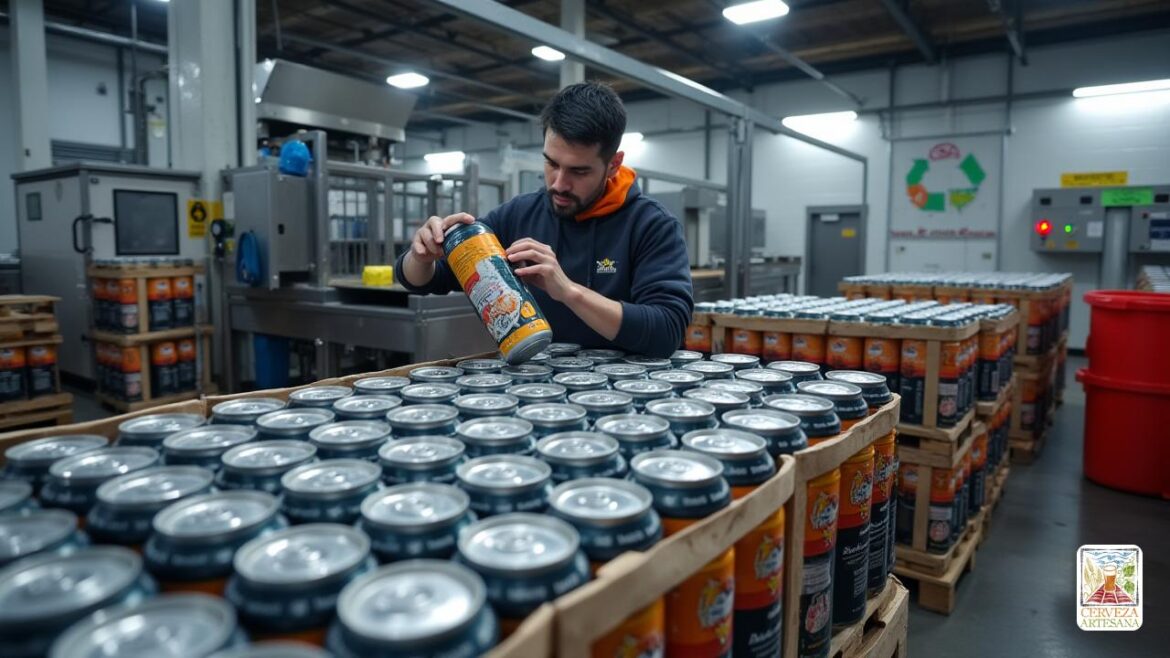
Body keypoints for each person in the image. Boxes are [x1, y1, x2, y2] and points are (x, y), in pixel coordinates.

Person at [395, 81, 693, 359]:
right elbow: (429, 278)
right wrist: (421, 256)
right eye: (552, 163)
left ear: (613, 164)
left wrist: (569, 291)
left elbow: (666, 331)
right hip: (539, 393)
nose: (559, 184)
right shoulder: (519, 215)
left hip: (628, 396)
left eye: (579, 171)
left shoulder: (652, 225)